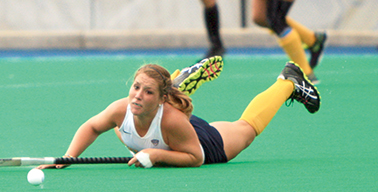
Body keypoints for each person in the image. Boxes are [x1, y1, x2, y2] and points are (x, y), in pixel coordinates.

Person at [40, 59, 320, 169]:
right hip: (154, 129)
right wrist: (68, 157)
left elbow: (196, 158)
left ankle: (289, 82)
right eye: (136, 87)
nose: (137, 95)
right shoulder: (121, 109)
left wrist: (157, 155)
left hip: (198, 143)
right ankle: (176, 85)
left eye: (147, 92)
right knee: (120, 126)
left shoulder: (173, 121)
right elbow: (91, 127)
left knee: (246, 130)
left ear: (160, 100)